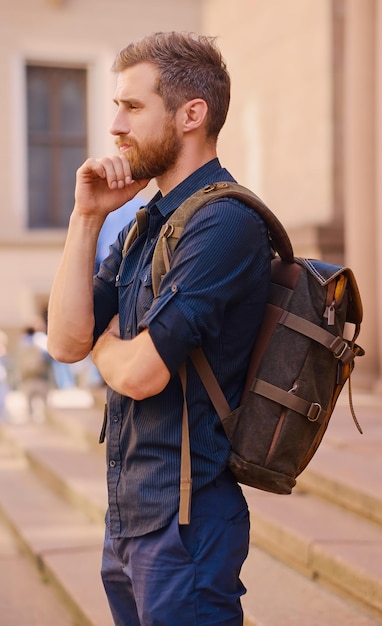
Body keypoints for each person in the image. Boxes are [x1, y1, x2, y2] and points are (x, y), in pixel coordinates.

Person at [47, 32, 271, 626]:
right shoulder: (145, 224)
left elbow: (142, 373)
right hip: (129, 512)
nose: (115, 123)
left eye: (133, 106)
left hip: (186, 526)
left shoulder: (225, 224)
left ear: (191, 114)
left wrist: (107, 339)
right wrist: (86, 217)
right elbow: (65, 342)